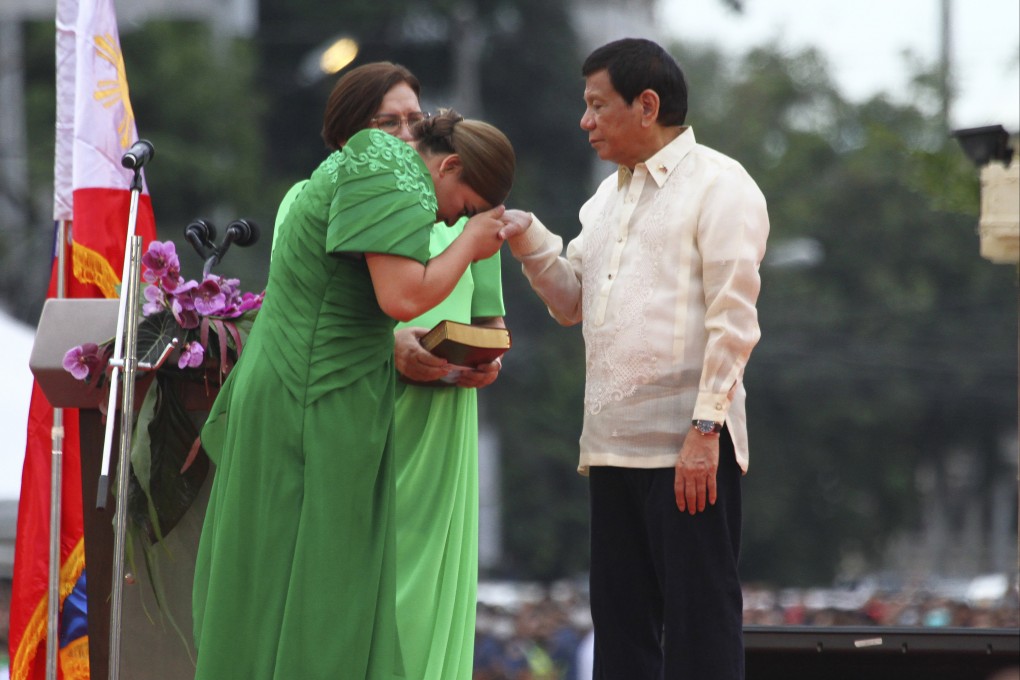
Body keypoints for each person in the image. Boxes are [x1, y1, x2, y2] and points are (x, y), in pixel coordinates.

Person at [192, 104, 516, 679]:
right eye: (462, 208)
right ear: (451, 166)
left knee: (324, 581)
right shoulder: (389, 167)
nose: (450, 223)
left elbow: (360, 297)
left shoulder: (381, 164)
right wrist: (470, 243)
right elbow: (402, 297)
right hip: (311, 393)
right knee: (319, 582)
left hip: (324, 386)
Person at [499, 38, 769, 679]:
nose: (585, 121)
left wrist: (706, 429)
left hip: (689, 446)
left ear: (646, 106)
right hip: (612, 445)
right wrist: (529, 237)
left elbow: (734, 322)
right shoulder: (606, 199)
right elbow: (573, 304)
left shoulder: (720, 185)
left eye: (597, 105)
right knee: (621, 630)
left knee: (700, 625)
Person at [271, 62, 506, 679]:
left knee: (431, 592)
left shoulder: (466, 206)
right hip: (361, 402)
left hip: (444, 414)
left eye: (414, 120)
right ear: (350, 132)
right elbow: (307, 316)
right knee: (357, 578)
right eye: (387, 122)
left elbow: (493, 320)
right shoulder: (310, 199)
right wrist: (393, 344)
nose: (405, 133)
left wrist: (481, 359)